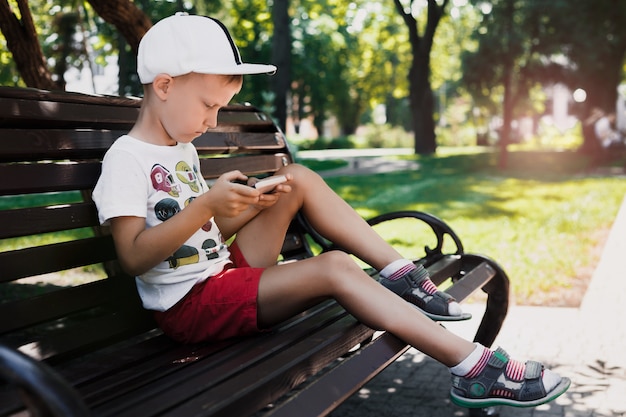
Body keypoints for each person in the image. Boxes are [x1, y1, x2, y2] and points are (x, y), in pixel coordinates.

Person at [92, 13, 570, 409]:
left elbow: (203, 234)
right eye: (209, 106)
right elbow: (135, 258)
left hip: (219, 277)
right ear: (165, 85)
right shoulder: (126, 160)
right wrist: (206, 206)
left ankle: (399, 272)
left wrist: (238, 206)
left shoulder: (180, 148)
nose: (213, 121)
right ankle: (474, 367)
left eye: (221, 108)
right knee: (335, 267)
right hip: (191, 307)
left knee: (295, 179)